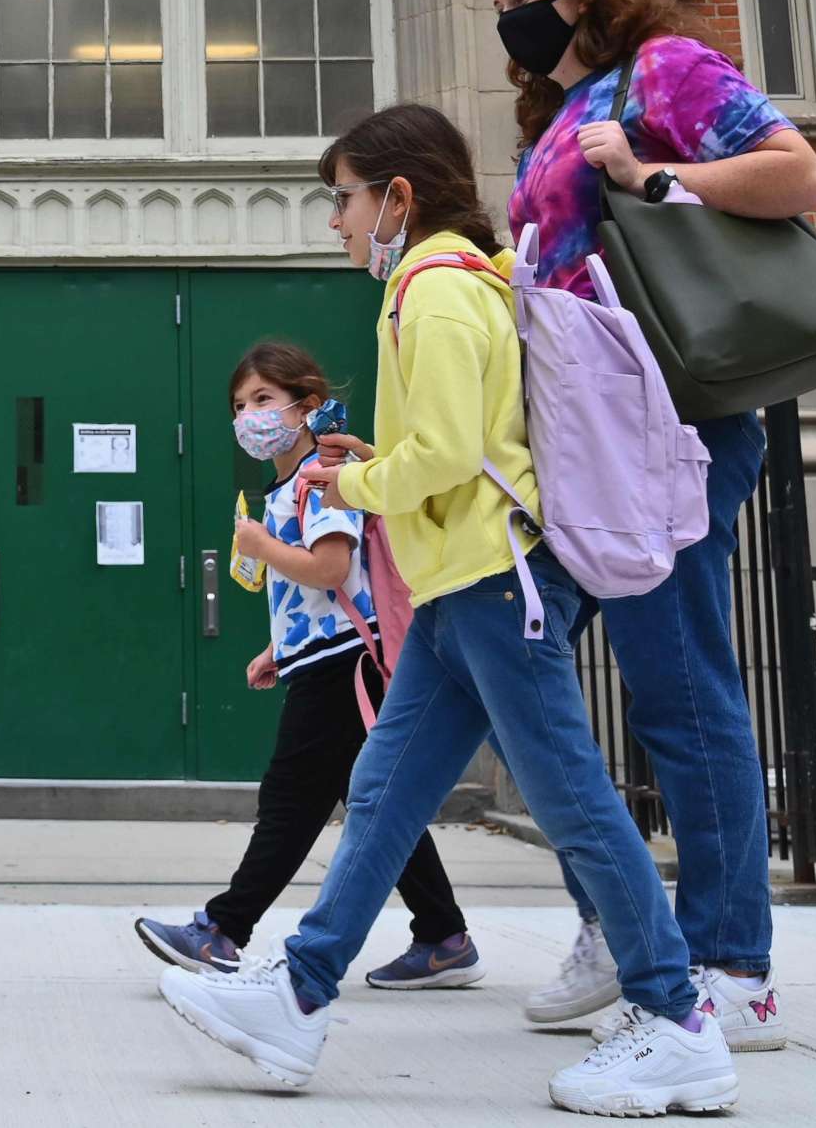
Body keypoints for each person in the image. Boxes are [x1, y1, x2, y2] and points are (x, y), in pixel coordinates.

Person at [158, 105, 738, 1116]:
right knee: (383, 789)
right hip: (459, 583)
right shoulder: (456, 283)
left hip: (488, 577)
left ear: (398, 197)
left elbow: (449, 455)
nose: (336, 221)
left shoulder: (428, 289)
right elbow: (449, 447)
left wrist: (349, 488)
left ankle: (675, 1020)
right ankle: (296, 995)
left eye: (342, 199)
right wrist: (378, 468)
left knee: (571, 799)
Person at [492, 0, 816, 1053]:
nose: (509, 17)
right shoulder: (555, 114)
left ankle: (734, 965)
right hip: (583, 433)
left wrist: (654, 173)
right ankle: (622, 925)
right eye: (499, 1)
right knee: (515, 668)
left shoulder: (665, 73)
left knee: (679, 692)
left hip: (669, 424)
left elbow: (797, 174)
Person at [133, 340, 481, 991]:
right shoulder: (289, 484)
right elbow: (316, 592)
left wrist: (262, 545)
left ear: (307, 404)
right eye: (240, 404)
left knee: (292, 800)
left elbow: (329, 567)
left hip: (344, 665)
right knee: (378, 800)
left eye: (264, 398)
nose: (250, 415)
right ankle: (443, 934)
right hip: (326, 656)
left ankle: (222, 929)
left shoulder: (321, 477)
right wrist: (278, 648)